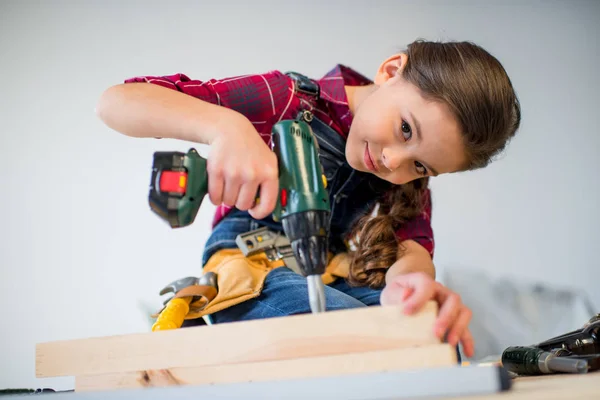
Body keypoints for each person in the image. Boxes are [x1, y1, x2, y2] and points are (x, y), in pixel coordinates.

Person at [96, 39, 521, 359]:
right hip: (258, 267)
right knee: (345, 337)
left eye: (422, 167)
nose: (394, 162)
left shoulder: (402, 176)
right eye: (406, 129)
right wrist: (226, 128)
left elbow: (411, 250)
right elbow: (117, 102)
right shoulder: (287, 101)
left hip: (341, 276)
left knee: (429, 344)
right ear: (391, 71)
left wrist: (412, 286)